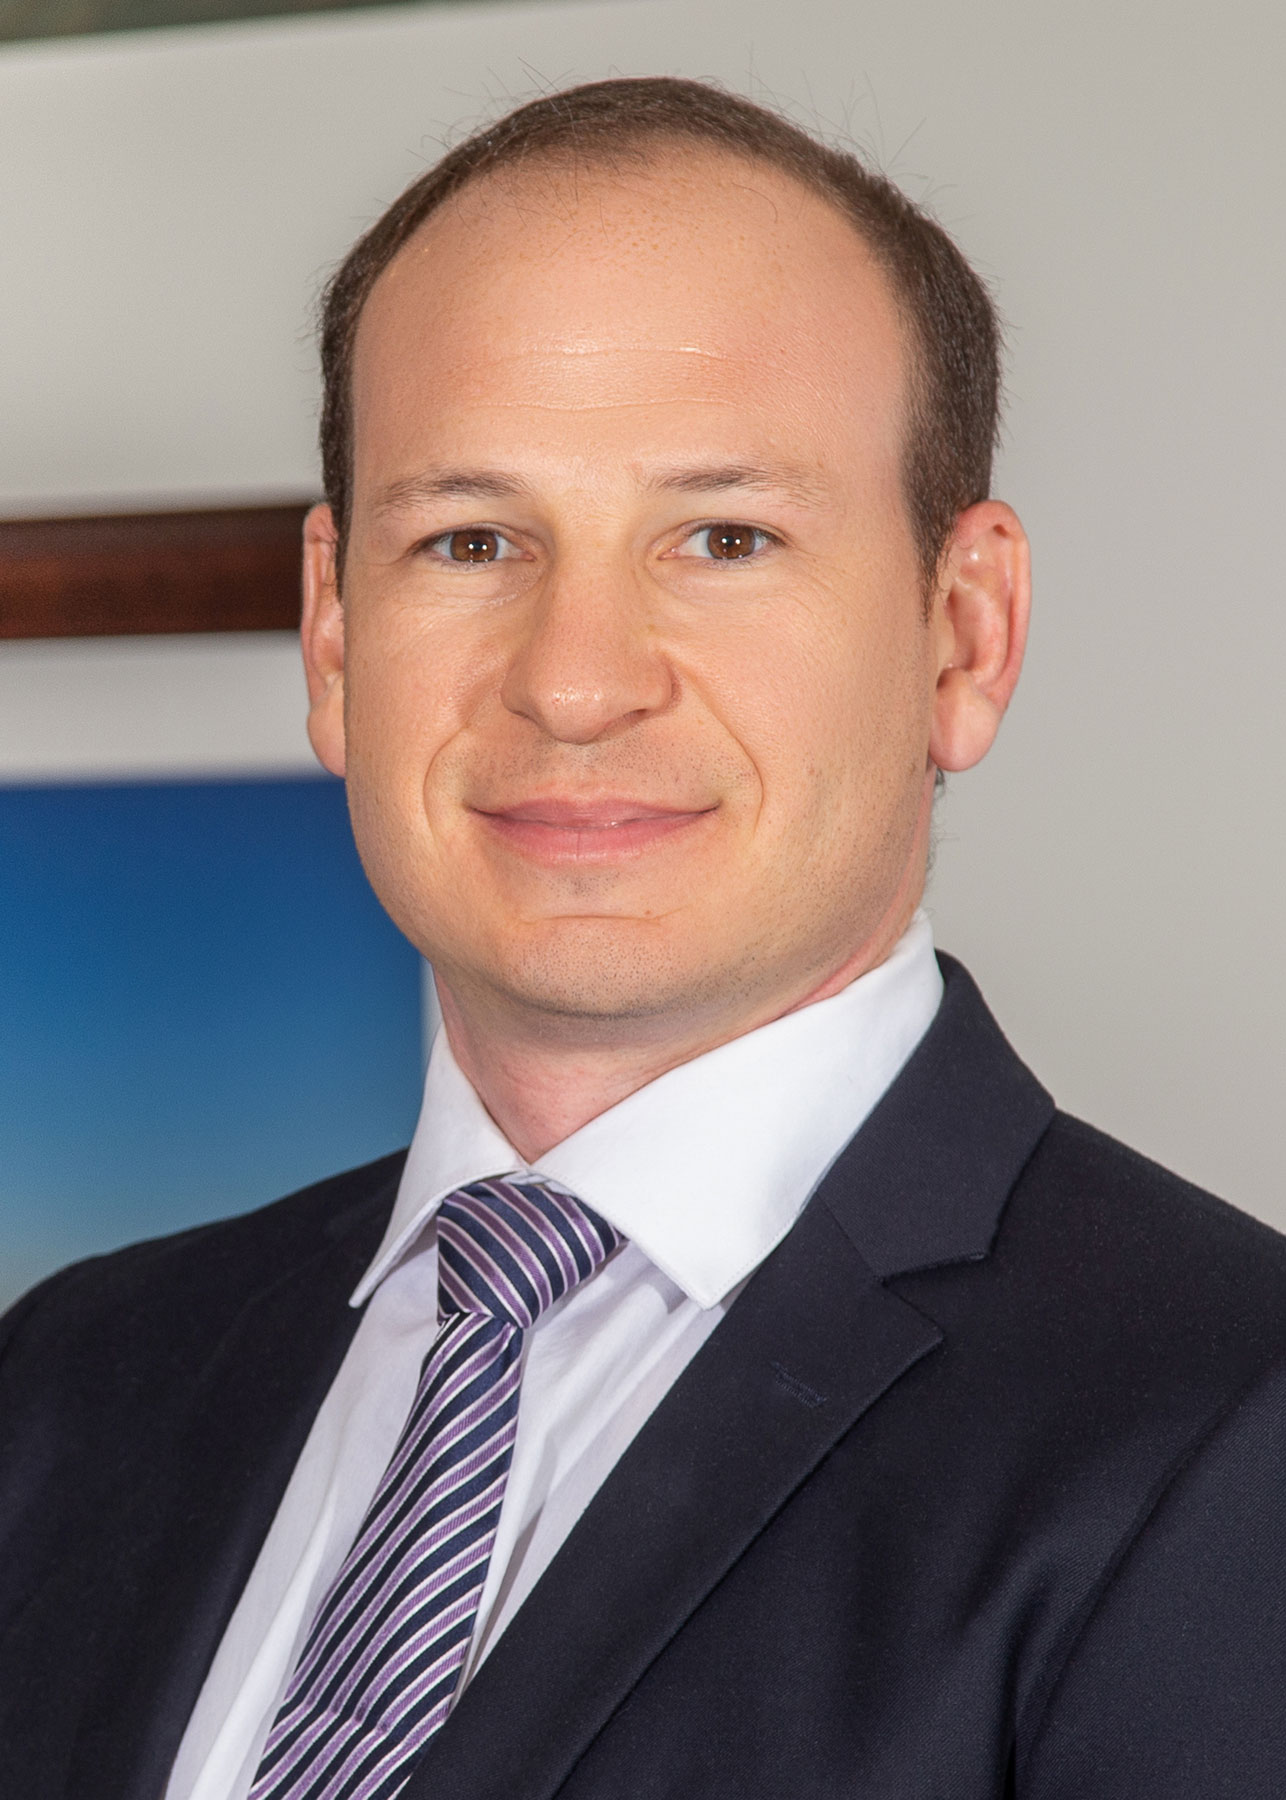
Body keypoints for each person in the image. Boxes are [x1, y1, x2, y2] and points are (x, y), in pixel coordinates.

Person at [2, 75, 1284, 1800]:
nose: (576, 680)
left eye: (723, 537)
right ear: (333, 635)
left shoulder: (1231, 1430)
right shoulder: (78, 1378)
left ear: (962, 636)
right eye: (470, 539)